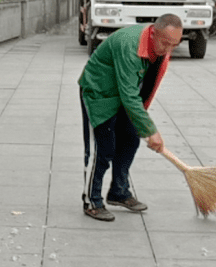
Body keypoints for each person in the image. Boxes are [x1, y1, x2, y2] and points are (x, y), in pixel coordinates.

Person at [78, 13, 183, 221]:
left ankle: (119, 191)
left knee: (130, 139)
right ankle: (92, 200)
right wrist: (151, 130)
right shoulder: (130, 45)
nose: (168, 50)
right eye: (165, 44)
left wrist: (141, 123)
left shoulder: (159, 45)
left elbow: (145, 86)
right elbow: (129, 95)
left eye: (175, 45)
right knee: (104, 149)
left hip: (124, 94)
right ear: (153, 33)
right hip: (99, 92)